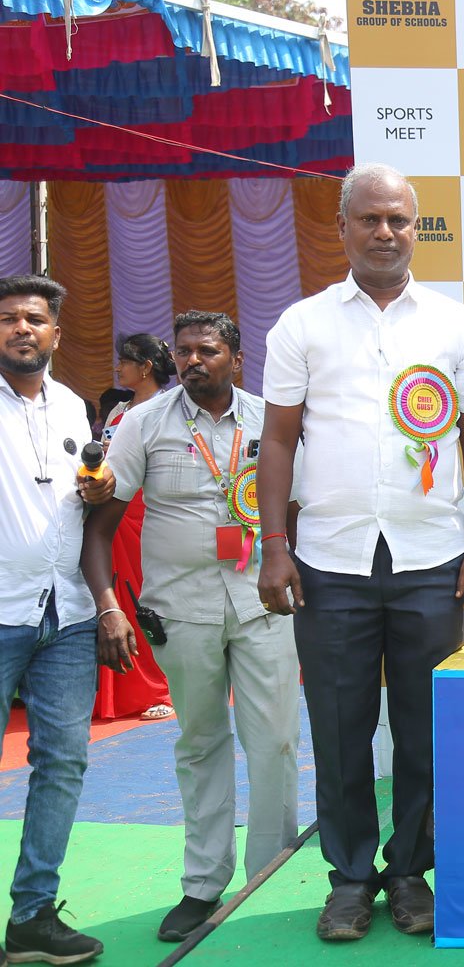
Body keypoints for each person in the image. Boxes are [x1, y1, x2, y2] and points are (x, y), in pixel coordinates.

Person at [257, 163, 464, 943]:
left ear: (416, 228)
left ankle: (411, 874)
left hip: (432, 557)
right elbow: (278, 439)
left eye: (399, 219)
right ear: (343, 228)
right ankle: (351, 879)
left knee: (425, 729)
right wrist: (274, 547)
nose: (386, 232)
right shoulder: (302, 324)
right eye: (370, 219)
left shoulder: (454, 324)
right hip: (330, 563)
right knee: (340, 728)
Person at [81, 311, 301, 943]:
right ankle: (203, 884)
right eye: (183, 352)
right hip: (180, 612)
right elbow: (101, 522)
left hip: (264, 604)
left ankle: (270, 877)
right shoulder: (143, 422)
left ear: (237, 359)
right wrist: (109, 605)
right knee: (200, 743)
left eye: (208, 350)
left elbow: (299, 510)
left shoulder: (271, 419)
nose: (193, 361)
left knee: (276, 742)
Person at [0, 274, 114, 965]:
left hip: (65, 614)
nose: (22, 328)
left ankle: (32, 917)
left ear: (56, 334)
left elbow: (80, 500)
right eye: (9, 317)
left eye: (34, 319)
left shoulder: (73, 407)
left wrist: (97, 490)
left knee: (63, 763)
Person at [94, 332, 175, 722]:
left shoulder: (170, 407)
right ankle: (121, 692)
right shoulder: (117, 410)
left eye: (125, 360)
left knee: (150, 596)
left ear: (145, 368)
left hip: (150, 510)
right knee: (118, 594)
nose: (118, 367)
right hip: (114, 510)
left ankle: (161, 687)